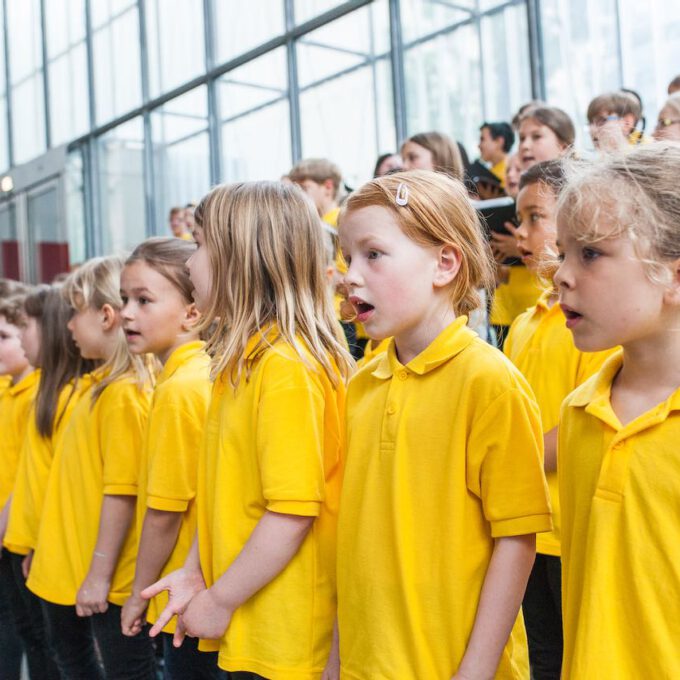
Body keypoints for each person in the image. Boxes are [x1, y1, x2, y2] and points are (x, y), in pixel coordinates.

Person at [334, 169, 551, 679]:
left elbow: (516, 541)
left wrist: (474, 671)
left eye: (373, 254)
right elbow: (355, 540)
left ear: (444, 263)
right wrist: (338, 654)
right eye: (347, 258)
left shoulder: (489, 382)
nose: (349, 275)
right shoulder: (362, 383)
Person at [141, 181, 353, 679]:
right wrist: (195, 570)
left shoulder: (286, 367)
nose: (190, 264)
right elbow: (222, 494)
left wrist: (220, 598)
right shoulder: (243, 362)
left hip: (287, 632)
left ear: (242, 259)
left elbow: (292, 512)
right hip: (254, 618)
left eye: (200, 246)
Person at [555, 143, 680, 677]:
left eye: (590, 253)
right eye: (561, 252)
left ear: (672, 275)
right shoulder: (580, 413)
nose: (560, 274)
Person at [504, 161, 615, 680]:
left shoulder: (595, 327)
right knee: (544, 656)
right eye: (521, 220)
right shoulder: (526, 323)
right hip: (528, 523)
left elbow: (581, 426)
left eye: (535, 218)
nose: (522, 234)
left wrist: (498, 460)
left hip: (570, 530)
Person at [26, 256, 156, 680]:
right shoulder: (99, 387)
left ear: (104, 316)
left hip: (107, 577)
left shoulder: (122, 396)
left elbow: (122, 492)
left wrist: (99, 577)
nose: (67, 326)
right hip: (79, 565)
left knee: (120, 670)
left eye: (75, 312)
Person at [118, 238, 218, 679]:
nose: (125, 313)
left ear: (192, 313)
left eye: (143, 300)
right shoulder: (189, 375)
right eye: (124, 299)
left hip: (188, 592)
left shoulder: (181, 388)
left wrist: (139, 592)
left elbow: (165, 510)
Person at [3, 285, 95, 680]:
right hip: (28, 541)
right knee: (38, 639)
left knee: (61, 651)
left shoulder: (70, 399)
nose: (22, 338)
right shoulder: (42, 395)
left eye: (24, 327)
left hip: (53, 548)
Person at [491, 106, 575, 346]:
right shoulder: (522, 327)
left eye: (536, 137)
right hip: (519, 311)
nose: (525, 145)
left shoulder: (594, 315)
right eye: (522, 138)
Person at [0, 290, 39, 680]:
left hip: (20, 532)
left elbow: (29, 474)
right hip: (9, 532)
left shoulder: (35, 397)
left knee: (31, 632)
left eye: (4, 337)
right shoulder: (11, 390)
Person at [478, 122, 515, 188]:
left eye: (482, 139)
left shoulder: (509, 175)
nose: (479, 145)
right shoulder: (492, 172)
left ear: (499, 142)